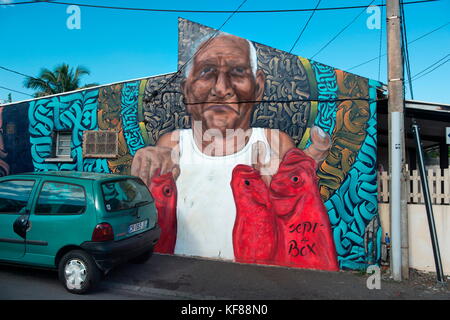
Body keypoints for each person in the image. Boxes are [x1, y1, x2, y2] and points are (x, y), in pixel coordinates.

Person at [131, 33, 331, 260]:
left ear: (258, 87)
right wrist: (151, 166)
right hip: (181, 276)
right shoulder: (172, 143)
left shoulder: (274, 142)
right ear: (187, 90)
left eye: (237, 72)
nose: (221, 88)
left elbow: (297, 228)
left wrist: (299, 183)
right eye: (206, 72)